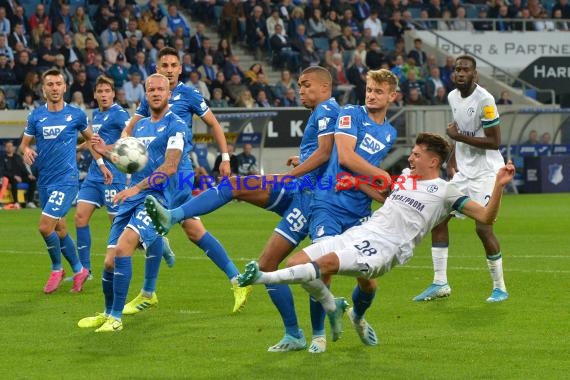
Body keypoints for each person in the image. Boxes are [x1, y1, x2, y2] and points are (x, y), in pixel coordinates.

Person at [237, 134, 515, 346]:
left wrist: (498, 185)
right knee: (298, 261)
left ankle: (259, 277)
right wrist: (357, 184)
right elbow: (389, 197)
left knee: (327, 264)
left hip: (387, 248)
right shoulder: (407, 178)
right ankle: (337, 309)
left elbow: (486, 217)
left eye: (416, 155)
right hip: (363, 231)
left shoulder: (446, 192)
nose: (410, 158)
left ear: (433, 161)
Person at [144, 66, 339, 352]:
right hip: (303, 194)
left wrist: (293, 175)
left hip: (312, 197)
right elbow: (327, 152)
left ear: (325, 87)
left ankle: (317, 334)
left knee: (316, 269)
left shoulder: (326, 110)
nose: (300, 90)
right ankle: (296, 335)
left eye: (306, 85)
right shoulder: (324, 112)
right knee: (266, 266)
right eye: (299, 84)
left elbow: (325, 152)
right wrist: (303, 159)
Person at [120, 47, 249, 314]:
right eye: (164, 64)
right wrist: (122, 146)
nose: (168, 69)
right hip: (158, 173)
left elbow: (213, 123)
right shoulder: (154, 94)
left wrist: (225, 157)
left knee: (153, 221)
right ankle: (238, 280)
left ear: (180, 69)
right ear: (157, 67)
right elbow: (132, 125)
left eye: (173, 65)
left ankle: (148, 291)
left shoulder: (188, 94)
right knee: (194, 231)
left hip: (178, 173)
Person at [77, 74, 191, 332]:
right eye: (151, 89)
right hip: (133, 195)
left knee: (124, 247)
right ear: (145, 95)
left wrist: (136, 188)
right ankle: (107, 313)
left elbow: (171, 166)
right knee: (108, 261)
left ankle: (117, 318)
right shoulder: (139, 125)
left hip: (155, 198)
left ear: (168, 93)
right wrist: (106, 150)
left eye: (161, 89)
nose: (156, 93)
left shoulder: (176, 124)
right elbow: (126, 159)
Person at [302, 68, 398, 353]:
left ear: (392, 96)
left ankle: (357, 315)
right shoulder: (350, 115)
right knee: (321, 270)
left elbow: (363, 177)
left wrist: (384, 194)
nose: (372, 95)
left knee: (369, 284)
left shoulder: (390, 133)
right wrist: (384, 176)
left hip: (359, 211)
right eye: (369, 89)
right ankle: (318, 335)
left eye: (379, 91)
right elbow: (345, 156)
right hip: (328, 203)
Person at [414, 55, 509, 303]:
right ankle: (440, 283)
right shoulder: (452, 97)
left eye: (465, 70)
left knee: (483, 227)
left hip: (487, 172)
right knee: (438, 217)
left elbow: (494, 141)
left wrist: (457, 136)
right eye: (457, 69)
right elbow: (460, 132)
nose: (460, 73)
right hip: (464, 173)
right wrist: (453, 161)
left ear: (474, 74)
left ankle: (500, 287)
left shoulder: (485, 101)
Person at [19, 68, 91, 294]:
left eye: (58, 84)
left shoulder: (76, 115)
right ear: (43, 89)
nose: (54, 88)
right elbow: (24, 144)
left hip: (67, 180)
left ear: (64, 87)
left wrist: (101, 163)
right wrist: (25, 150)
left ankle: (56, 268)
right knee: (59, 227)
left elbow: (93, 141)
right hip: (45, 180)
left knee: (44, 226)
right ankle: (79, 270)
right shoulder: (36, 116)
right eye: (49, 84)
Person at [1, 140, 37, 208]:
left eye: (10, 146)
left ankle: (29, 201)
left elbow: (23, 168)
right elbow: (2, 171)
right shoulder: (2, 158)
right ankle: (16, 202)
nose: (9, 148)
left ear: (13, 148)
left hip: (21, 177)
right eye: (7, 146)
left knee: (32, 180)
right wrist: (14, 176)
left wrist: (28, 174)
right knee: (14, 181)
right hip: (10, 178)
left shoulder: (17, 157)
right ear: (5, 148)